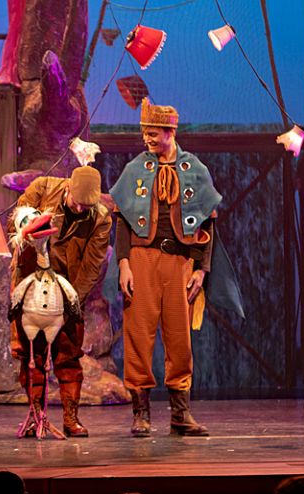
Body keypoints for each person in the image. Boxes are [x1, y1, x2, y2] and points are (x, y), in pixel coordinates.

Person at [109, 98, 222, 437]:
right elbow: (124, 222)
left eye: (154, 134)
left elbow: (207, 224)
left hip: (179, 262)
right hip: (143, 259)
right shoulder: (136, 169)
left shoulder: (195, 169)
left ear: (170, 132)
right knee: (138, 335)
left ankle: (180, 414)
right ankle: (140, 413)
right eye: (145, 133)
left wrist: (201, 270)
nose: (148, 140)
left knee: (179, 338)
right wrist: (124, 265)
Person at [10, 166, 112, 437]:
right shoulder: (43, 188)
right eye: (76, 202)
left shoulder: (100, 217)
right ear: (67, 189)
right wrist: (29, 229)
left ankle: (70, 418)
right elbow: (16, 222)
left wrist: (70, 302)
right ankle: (36, 415)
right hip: (33, 283)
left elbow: (92, 265)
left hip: (69, 288)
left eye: (86, 206)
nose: (80, 209)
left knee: (68, 356)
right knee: (33, 355)